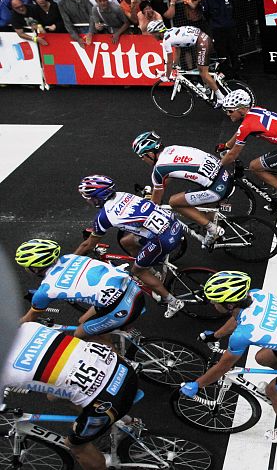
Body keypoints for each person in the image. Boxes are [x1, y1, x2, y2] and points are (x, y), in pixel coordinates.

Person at [180, 271, 277, 442]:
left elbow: (223, 367)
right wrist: (215, 336)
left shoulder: (242, 335)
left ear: (230, 304)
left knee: (273, 391)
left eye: (215, 301)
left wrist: (198, 384)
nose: (212, 303)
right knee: (262, 358)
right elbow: (238, 318)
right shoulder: (257, 294)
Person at [1, 322, 139, 470]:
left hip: (110, 401)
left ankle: (105, 434)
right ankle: (126, 422)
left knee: (76, 446)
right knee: (53, 395)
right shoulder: (29, 326)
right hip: (124, 369)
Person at [73, 175, 185, 318]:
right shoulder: (122, 195)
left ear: (97, 197)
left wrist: (71, 260)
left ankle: (173, 302)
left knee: (137, 271)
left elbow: (88, 245)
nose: (88, 201)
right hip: (174, 225)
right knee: (126, 241)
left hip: (163, 239)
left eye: (89, 198)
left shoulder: (104, 216)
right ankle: (152, 272)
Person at [14, 238, 146, 345]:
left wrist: (13, 326)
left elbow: (29, 319)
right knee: (83, 320)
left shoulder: (45, 290)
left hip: (122, 308)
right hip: (133, 289)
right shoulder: (70, 257)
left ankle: (120, 362)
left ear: (35, 268)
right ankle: (108, 339)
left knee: (79, 334)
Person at [132, 131, 228, 247]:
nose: (142, 159)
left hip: (217, 189)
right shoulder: (172, 149)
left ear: (150, 154)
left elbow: (155, 203)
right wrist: (156, 190)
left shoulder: (158, 169)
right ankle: (212, 221)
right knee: (202, 203)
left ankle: (213, 229)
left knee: (174, 202)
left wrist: (149, 202)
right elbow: (167, 177)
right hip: (224, 175)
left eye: (142, 156)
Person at [217, 90, 277, 209]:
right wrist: (226, 145)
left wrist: (218, 167)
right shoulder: (254, 110)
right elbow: (239, 133)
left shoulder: (247, 125)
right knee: (269, 166)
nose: (228, 114)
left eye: (230, 111)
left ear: (241, 110)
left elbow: (232, 155)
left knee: (254, 166)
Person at [146, 20, 225, 106]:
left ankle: (221, 98)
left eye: (152, 34)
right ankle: (207, 89)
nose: (152, 36)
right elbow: (178, 49)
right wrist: (175, 65)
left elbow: (169, 61)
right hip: (202, 38)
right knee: (200, 68)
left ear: (158, 32)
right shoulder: (171, 31)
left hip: (202, 42)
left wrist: (167, 76)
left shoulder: (166, 40)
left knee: (203, 73)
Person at [202, 0, 239, 78]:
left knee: (233, 50)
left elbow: (234, 10)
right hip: (218, 30)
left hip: (230, 27)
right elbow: (206, 14)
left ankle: (236, 73)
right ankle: (225, 74)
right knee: (222, 53)